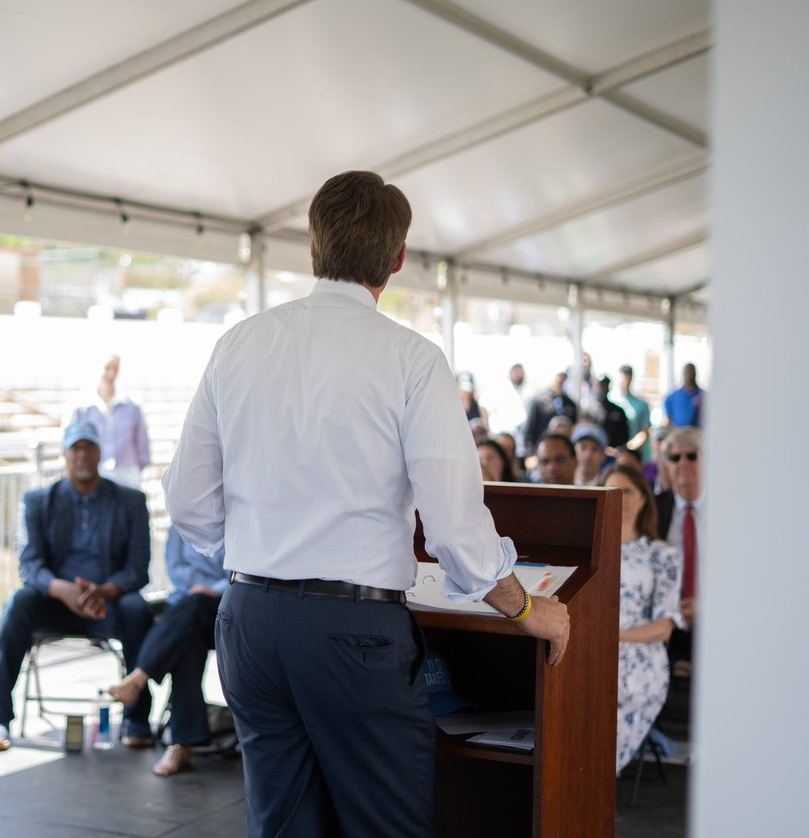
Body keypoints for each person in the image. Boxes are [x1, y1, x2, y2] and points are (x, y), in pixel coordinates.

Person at [162, 170, 570, 837]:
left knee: (283, 827)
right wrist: (525, 608)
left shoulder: (237, 344)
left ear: (314, 245)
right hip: (349, 634)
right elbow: (452, 524)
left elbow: (187, 503)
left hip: (248, 620)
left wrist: (259, 555)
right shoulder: (411, 359)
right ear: (397, 258)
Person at [0, 421, 154, 752]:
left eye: (89, 447)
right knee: (18, 602)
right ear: (64, 454)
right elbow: (29, 565)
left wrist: (105, 591)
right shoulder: (38, 501)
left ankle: (137, 718)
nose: (82, 455)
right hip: (55, 603)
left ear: (100, 452)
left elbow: (137, 570)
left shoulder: (130, 502)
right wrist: (62, 590)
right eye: (75, 448)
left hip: (108, 604)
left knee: (138, 609)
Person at [109, 528, 227, 776]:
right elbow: (176, 568)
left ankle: (138, 678)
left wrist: (212, 589)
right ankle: (181, 743)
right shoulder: (181, 522)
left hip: (224, 607)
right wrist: (197, 587)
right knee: (187, 639)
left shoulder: (238, 517)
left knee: (192, 608)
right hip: (187, 606)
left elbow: (241, 573)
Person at [601, 464, 685, 774]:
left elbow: (665, 627)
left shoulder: (662, 555)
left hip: (638, 652)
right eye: (611, 492)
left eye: (627, 491)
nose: (619, 499)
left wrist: (611, 638)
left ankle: (598, 779)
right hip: (587, 647)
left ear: (644, 500)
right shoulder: (589, 553)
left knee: (615, 690)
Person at [654, 426, 704, 669]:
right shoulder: (652, 510)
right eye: (674, 457)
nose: (683, 462)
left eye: (692, 456)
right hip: (663, 627)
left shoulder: (732, 510)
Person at [63, 355, 151, 488]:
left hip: (128, 475)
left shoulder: (132, 406)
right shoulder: (81, 406)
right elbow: (68, 441)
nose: (111, 373)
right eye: (107, 368)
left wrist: (138, 468)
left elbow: (142, 444)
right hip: (96, 473)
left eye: (115, 369)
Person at [523, 370, 578, 457]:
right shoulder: (539, 401)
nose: (561, 379)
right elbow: (529, 430)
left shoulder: (571, 404)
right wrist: (530, 454)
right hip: (541, 452)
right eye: (559, 375)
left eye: (564, 376)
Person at [583, 375, 630, 450]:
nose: (603, 388)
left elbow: (625, 435)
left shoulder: (618, 410)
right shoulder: (588, 410)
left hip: (613, 452)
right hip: (593, 451)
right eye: (601, 385)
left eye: (606, 385)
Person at [617, 364, 653, 461]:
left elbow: (645, 432)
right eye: (623, 376)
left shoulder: (642, 404)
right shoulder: (611, 401)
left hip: (636, 455)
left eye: (628, 376)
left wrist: (628, 448)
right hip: (615, 455)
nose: (626, 380)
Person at [663, 362, 705, 428]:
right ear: (683, 374)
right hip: (678, 433)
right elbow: (668, 419)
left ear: (695, 374)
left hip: (697, 433)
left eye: (692, 372)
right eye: (687, 372)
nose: (689, 375)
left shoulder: (703, 395)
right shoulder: (672, 397)